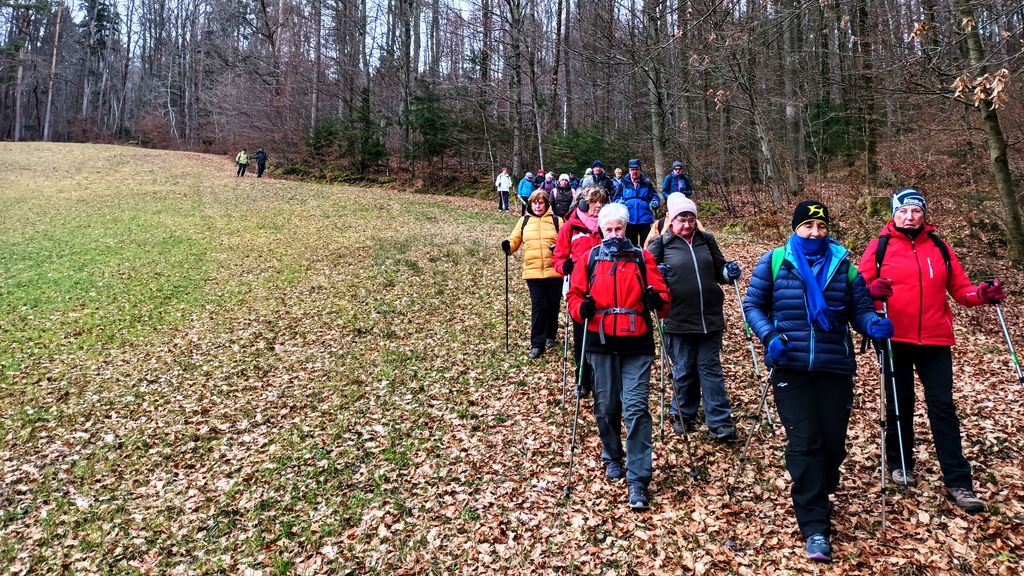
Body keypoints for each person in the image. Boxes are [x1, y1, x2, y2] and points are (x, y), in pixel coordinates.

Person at [743, 200, 892, 562]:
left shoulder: (844, 267)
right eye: (807, 226)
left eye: (821, 226)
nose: (815, 233)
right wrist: (769, 337)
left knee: (832, 444)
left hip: (833, 366)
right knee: (805, 440)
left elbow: (859, 309)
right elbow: (753, 306)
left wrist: (872, 324)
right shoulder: (775, 261)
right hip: (790, 365)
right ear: (795, 229)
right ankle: (815, 527)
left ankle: (820, 485)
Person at [858, 188, 1005, 514]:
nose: (909, 217)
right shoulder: (879, 246)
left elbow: (961, 290)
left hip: (936, 340)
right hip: (894, 338)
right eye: (903, 211)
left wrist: (983, 294)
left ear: (924, 215)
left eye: (916, 211)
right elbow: (857, 290)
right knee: (900, 403)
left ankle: (958, 481)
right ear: (894, 215)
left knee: (942, 407)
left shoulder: (939, 247)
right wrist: (872, 291)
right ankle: (900, 463)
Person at [567, 202, 670, 510]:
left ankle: (638, 479)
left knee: (636, 409)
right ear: (601, 231)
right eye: (608, 229)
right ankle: (612, 455)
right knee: (606, 407)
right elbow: (573, 297)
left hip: (636, 343)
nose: (614, 234)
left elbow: (663, 300)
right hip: (600, 343)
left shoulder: (642, 258)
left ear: (626, 229)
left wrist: (656, 301)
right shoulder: (590, 258)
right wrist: (580, 309)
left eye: (619, 228)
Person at [647, 193, 739, 441]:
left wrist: (728, 272)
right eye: (681, 219)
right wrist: (658, 276)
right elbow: (647, 278)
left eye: (691, 219)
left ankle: (719, 422)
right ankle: (682, 413)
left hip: (710, 316)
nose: (687, 225)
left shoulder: (706, 240)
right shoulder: (660, 244)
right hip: (677, 318)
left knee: (710, 370)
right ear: (671, 220)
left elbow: (719, 271)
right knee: (684, 369)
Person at [553, 186, 608, 398]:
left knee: (602, 336)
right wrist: (564, 267)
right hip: (579, 290)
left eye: (601, 201)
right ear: (584, 203)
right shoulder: (570, 227)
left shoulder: (608, 226)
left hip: (605, 288)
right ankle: (582, 380)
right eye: (594, 201)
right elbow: (558, 257)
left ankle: (602, 379)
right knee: (581, 336)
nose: (598, 206)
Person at [503, 190, 564, 359]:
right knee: (539, 307)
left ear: (546, 204)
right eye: (535, 202)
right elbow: (514, 241)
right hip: (533, 272)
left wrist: (558, 249)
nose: (538, 206)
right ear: (530, 204)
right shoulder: (524, 221)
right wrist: (508, 246)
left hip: (554, 272)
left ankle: (551, 335)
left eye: (541, 202)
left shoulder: (557, 220)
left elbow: (565, 243)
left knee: (553, 306)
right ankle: (537, 344)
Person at [612, 158, 660, 246]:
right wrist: (619, 202)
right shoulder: (623, 183)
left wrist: (655, 202)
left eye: (636, 169)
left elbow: (654, 196)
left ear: (640, 170)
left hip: (644, 219)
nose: (634, 172)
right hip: (629, 219)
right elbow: (615, 198)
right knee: (630, 245)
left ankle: (645, 255)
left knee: (647, 244)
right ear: (629, 170)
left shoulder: (647, 183)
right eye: (632, 169)